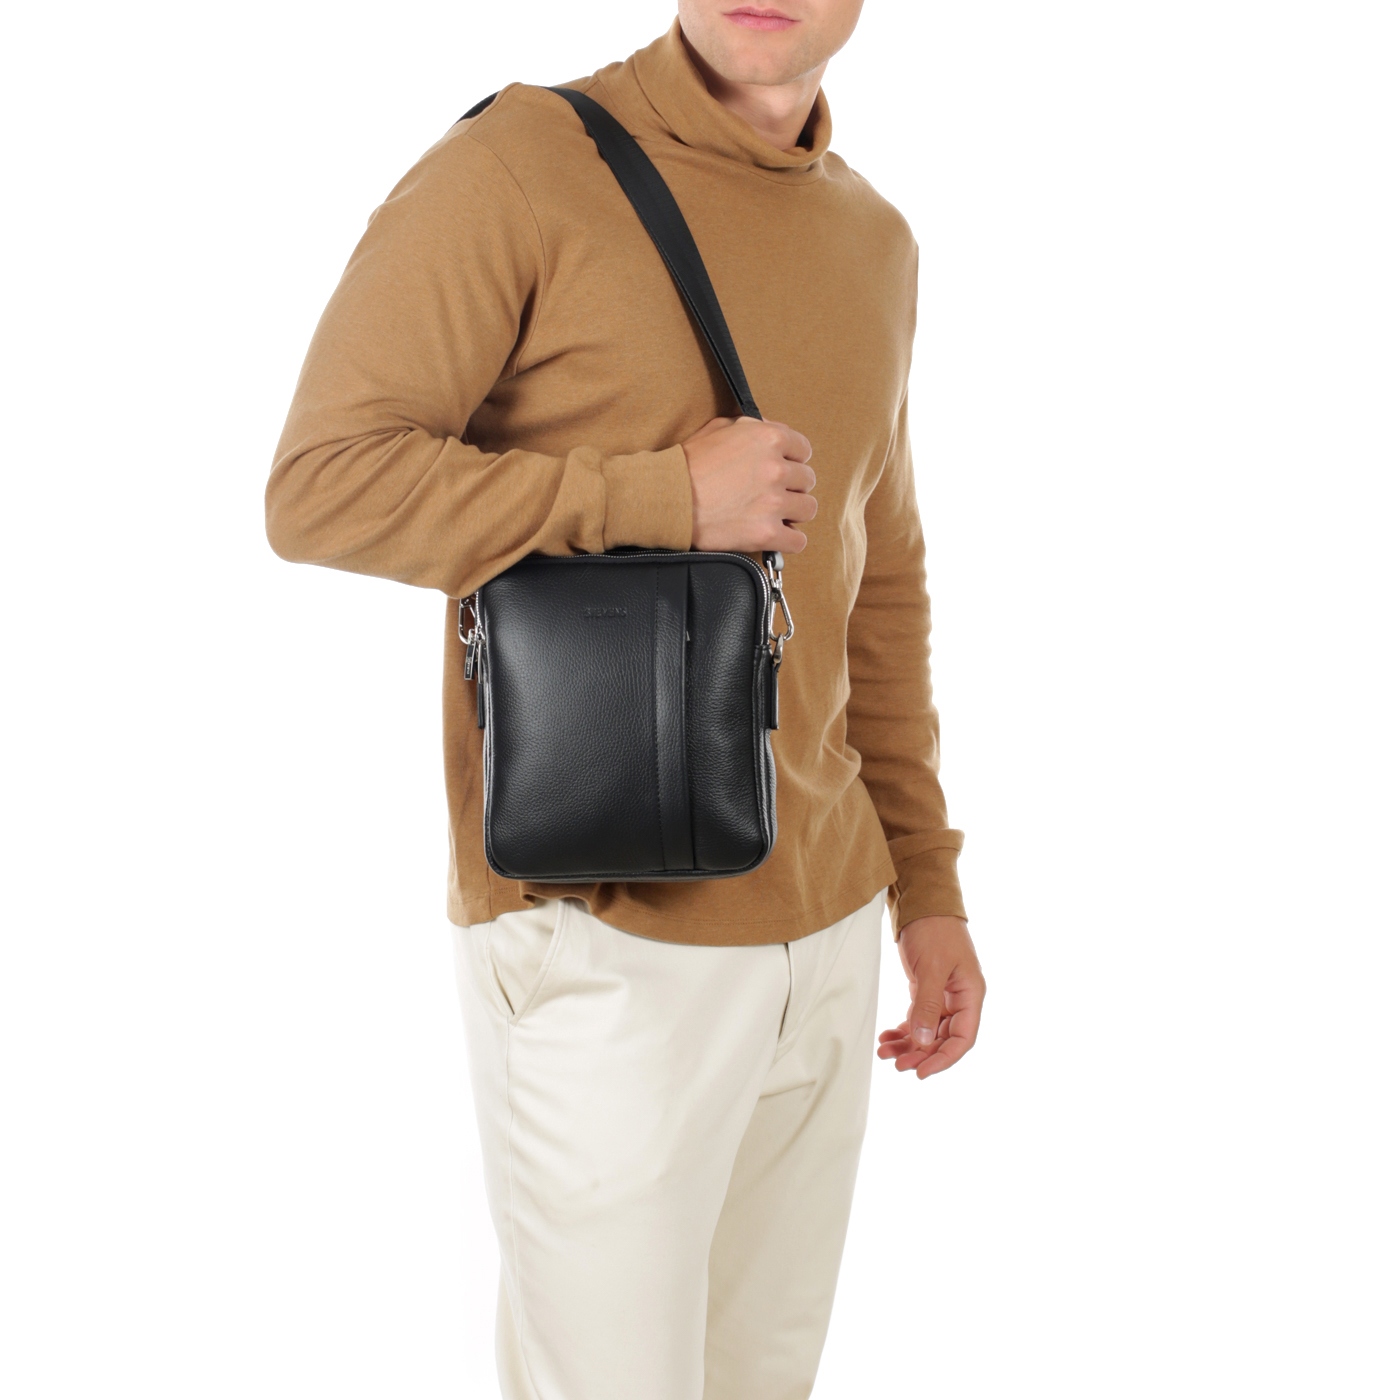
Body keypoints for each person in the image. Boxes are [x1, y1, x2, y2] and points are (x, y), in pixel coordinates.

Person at [266, 2, 987, 1395]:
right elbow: (319, 488)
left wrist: (926, 885)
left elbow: (875, 583)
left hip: (832, 922)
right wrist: (657, 498)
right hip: (604, 928)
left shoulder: (875, 237)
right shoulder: (521, 166)